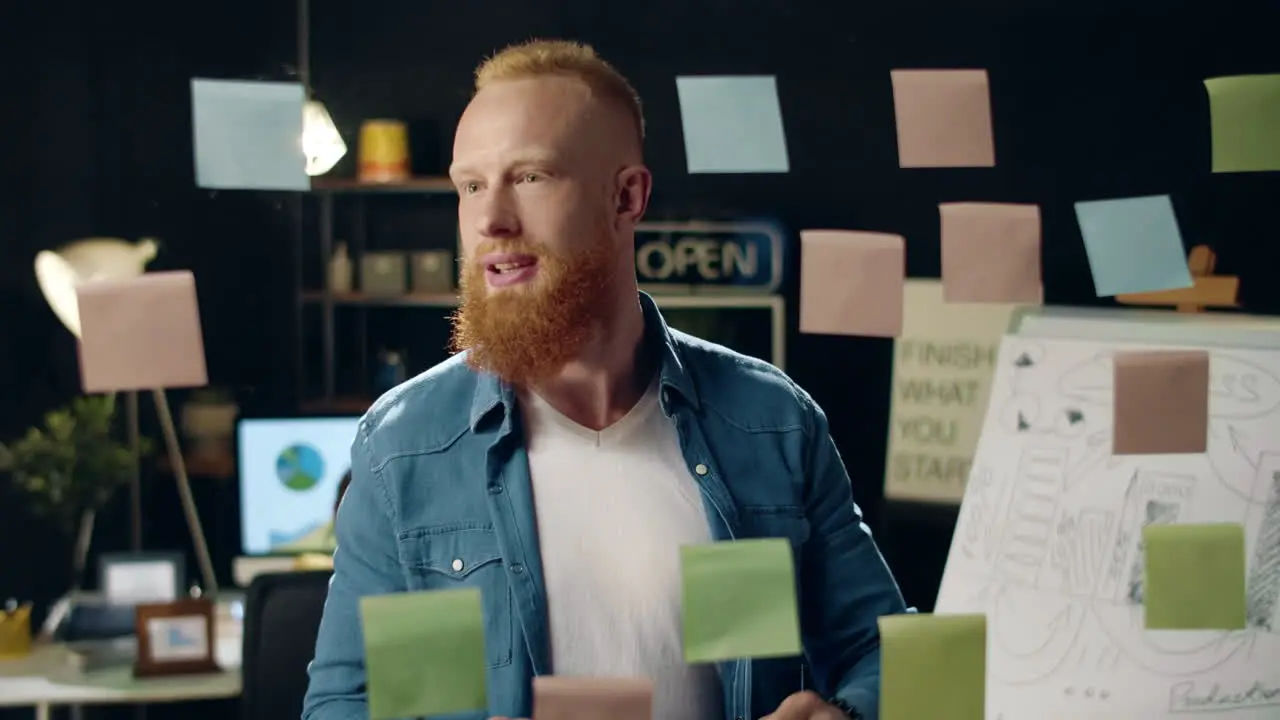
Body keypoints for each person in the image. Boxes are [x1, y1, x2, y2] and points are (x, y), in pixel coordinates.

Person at [303, 39, 908, 720]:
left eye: (530, 177)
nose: (490, 220)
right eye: (470, 185)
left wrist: (847, 714)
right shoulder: (403, 446)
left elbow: (880, 651)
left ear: (626, 197)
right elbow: (345, 703)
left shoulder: (772, 422)